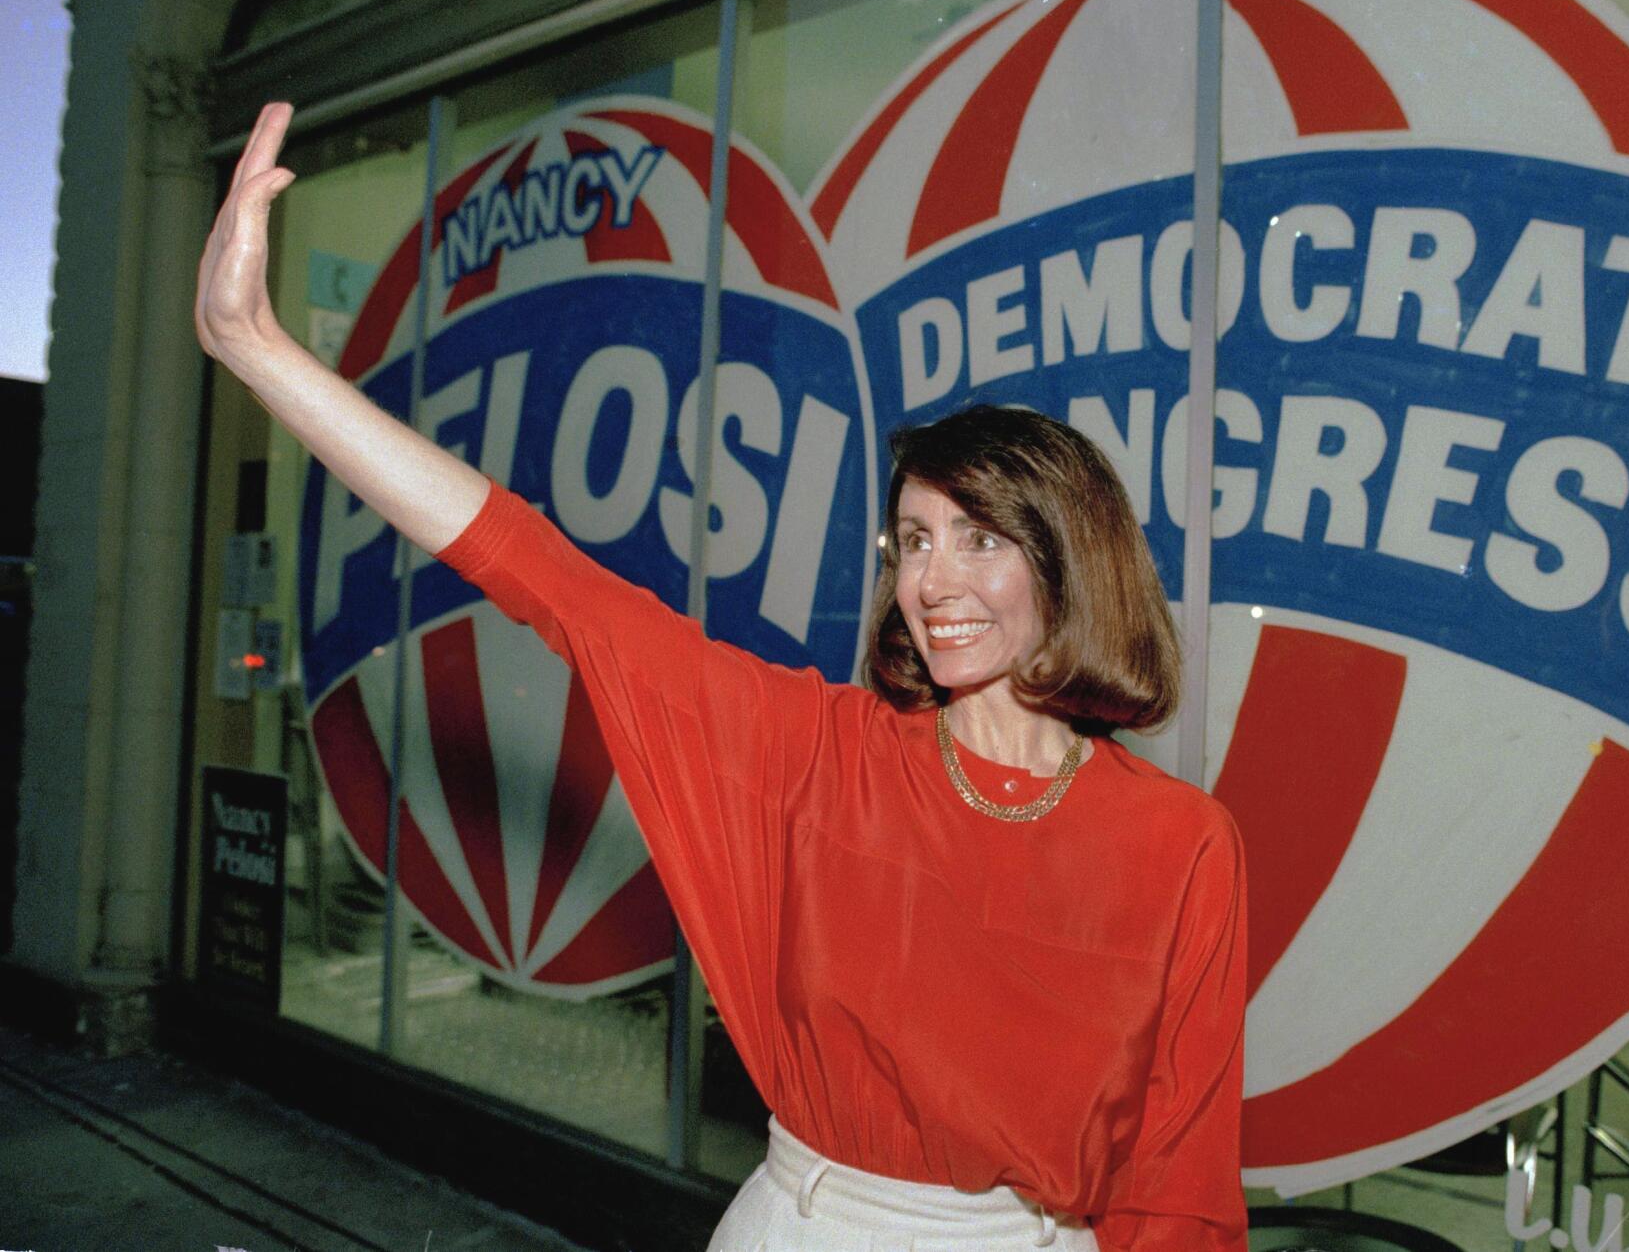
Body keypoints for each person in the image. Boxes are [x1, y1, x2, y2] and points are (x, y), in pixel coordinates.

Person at [196, 103, 1250, 1251]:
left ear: (1069, 561)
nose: (931, 580)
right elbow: (547, 579)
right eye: (912, 539)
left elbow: (1178, 1179)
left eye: (979, 540)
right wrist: (256, 347)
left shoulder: (1179, 846)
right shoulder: (819, 754)